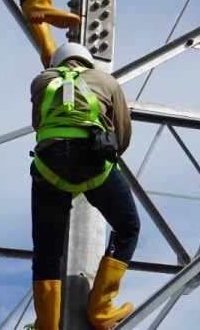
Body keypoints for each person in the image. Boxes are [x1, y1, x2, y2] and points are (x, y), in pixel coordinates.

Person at [28, 43, 140, 330]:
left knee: (46, 251)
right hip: (94, 166)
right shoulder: (106, 81)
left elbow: (38, 124)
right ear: (89, 63)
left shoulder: (41, 81)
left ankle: (47, 326)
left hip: (48, 169)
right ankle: (101, 310)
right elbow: (122, 132)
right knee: (127, 227)